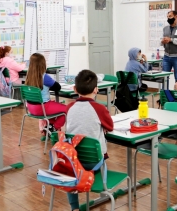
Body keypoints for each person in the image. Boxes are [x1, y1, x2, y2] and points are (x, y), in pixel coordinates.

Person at [65, 69, 113, 211]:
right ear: (96, 90)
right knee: (101, 156)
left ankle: (74, 207)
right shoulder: (99, 108)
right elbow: (110, 127)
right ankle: (102, 191)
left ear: (74, 89)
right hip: (94, 162)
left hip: (73, 161)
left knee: (71, 174)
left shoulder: (69, 107)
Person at [24, 53, 66, 134]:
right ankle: (54, 128)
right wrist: (48, 86)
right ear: (43, 64)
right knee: (67, 109)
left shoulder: (28, 76)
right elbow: (58, 87)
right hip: (42, 108)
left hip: (30, 108)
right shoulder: (44, 76)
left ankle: (48, 128)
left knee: (54, 107)